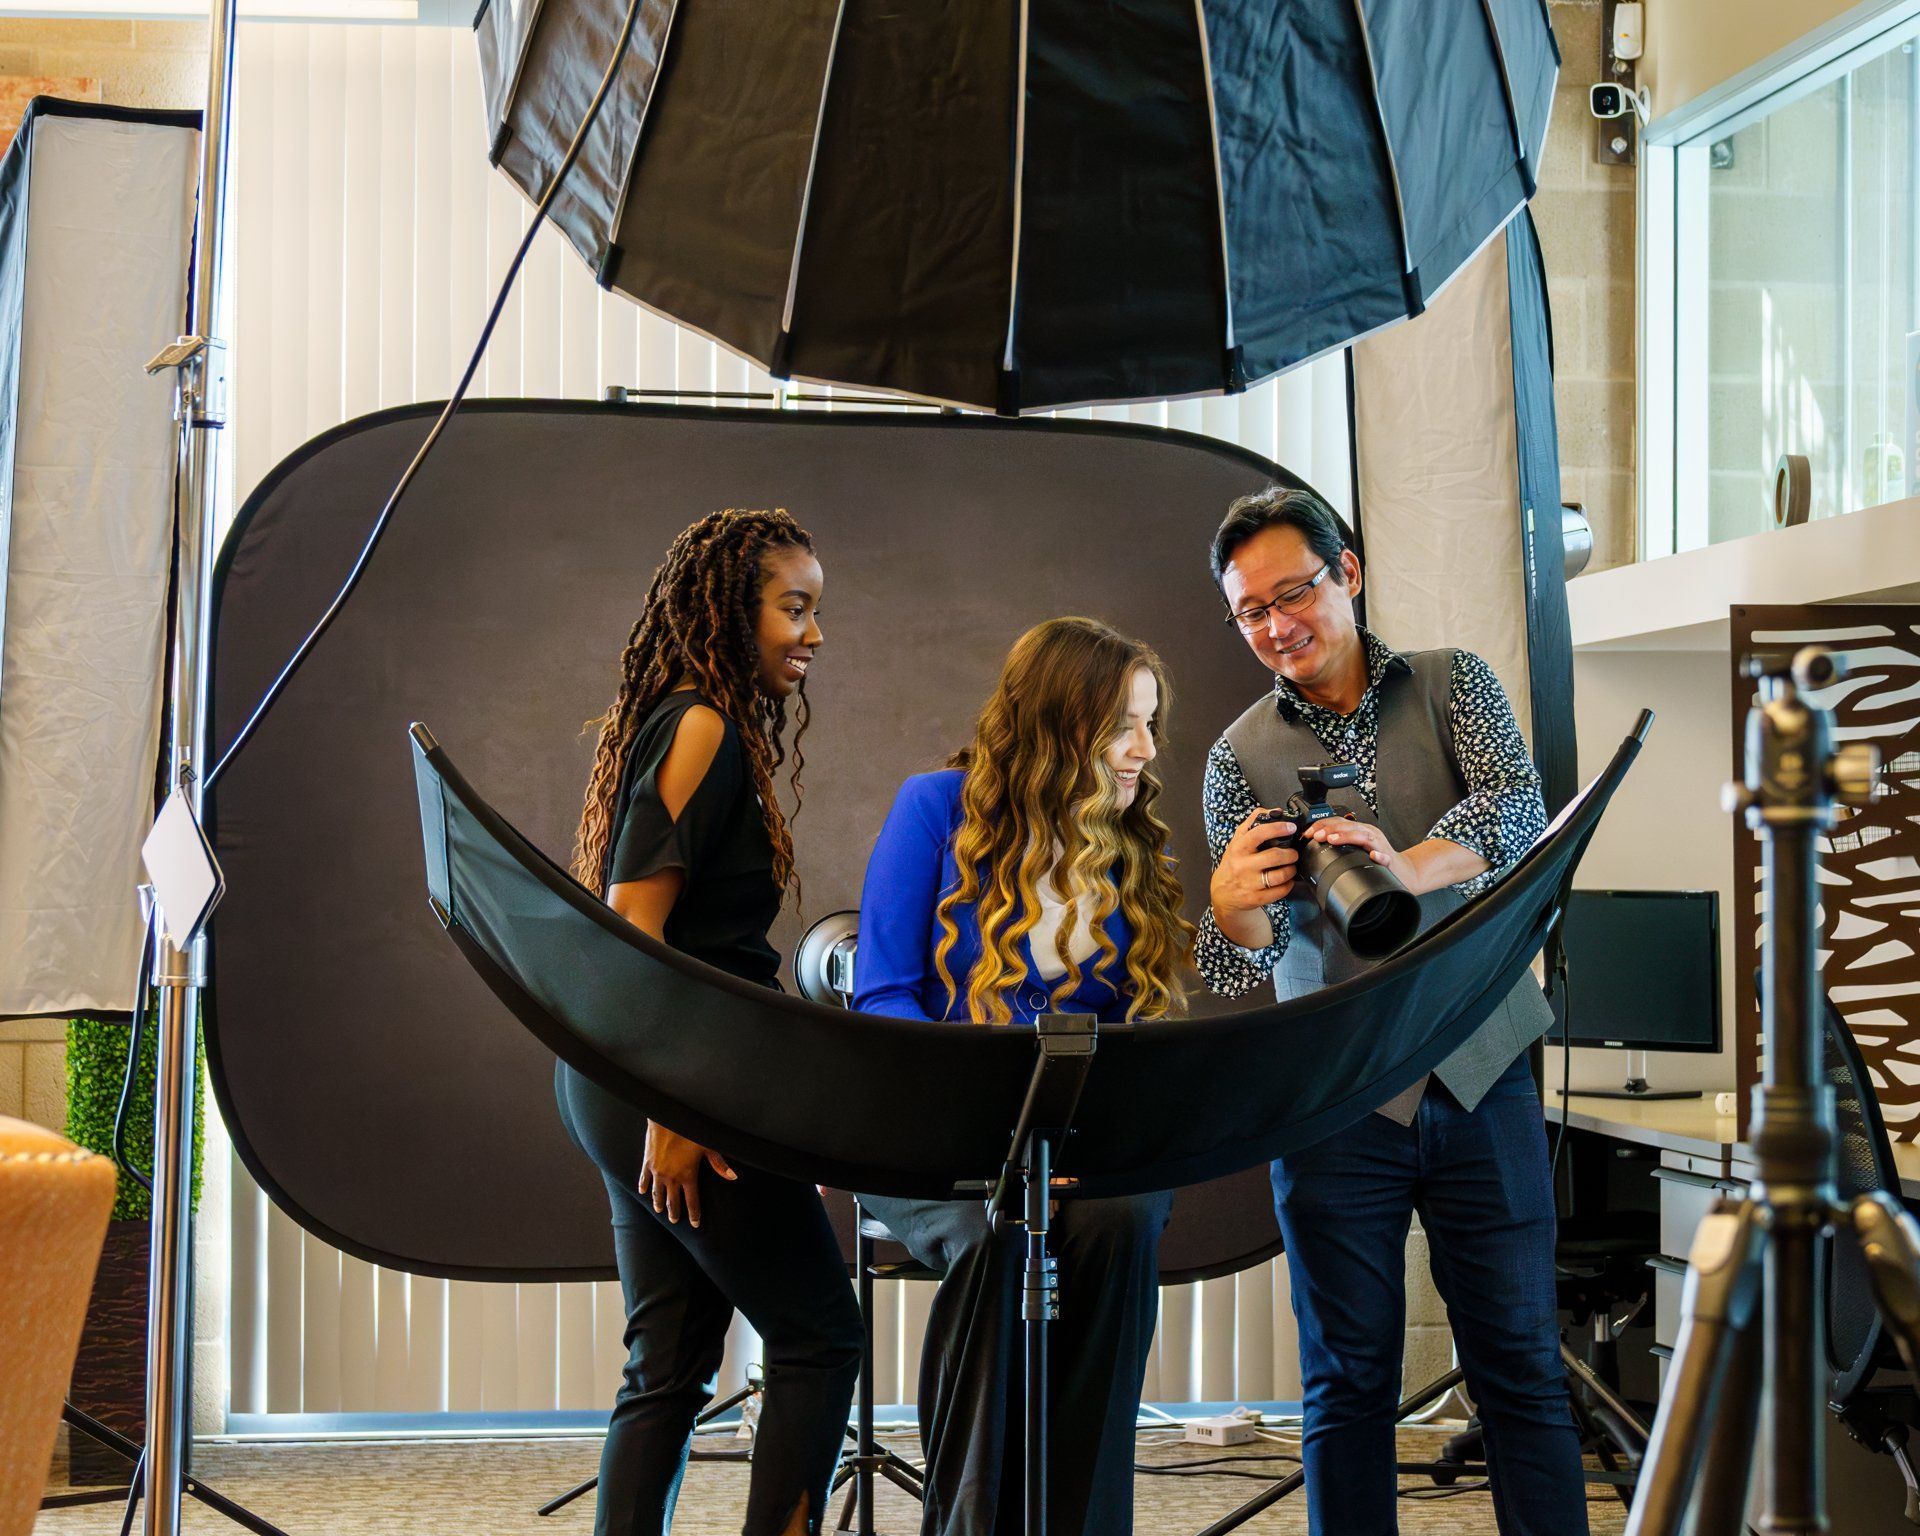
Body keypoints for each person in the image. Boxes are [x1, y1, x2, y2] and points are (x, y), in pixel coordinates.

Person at [1195, 486, 1587, 1536]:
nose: (1277, 625)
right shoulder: (1235, 759)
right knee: (1346, 1380)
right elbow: (1239, 963)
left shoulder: (1455, 682)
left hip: (1482, 1070)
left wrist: (1404, 864)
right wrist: (1231, 910)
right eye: (1250, 613)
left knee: (1521, 1365)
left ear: (1349, 574)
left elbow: (1519, 809)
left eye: (1294, 594)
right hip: (1334, 1101)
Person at [558, 508, 863, 1536]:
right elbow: (633, 931)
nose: (813, 632)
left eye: (814, 610)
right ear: (732, 611)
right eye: (794, 608)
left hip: (635, 1076)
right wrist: (674, 1111)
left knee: (671, 1364)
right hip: (671, 1086)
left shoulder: (696, 720)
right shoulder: (699, 724)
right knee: (819, 1338)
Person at [852, 616, 1193, 1536]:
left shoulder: (1129, 842)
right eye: (1123, 726)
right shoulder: (934, 807)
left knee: (1122, 1218)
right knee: (1000, 1236)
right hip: (932, 1136)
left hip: (1071, 1142)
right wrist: (979, 1121)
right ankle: (970, 1524)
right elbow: (882, 996)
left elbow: (1134, 1027)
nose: (1145, 749)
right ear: (1058, 725)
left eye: (1149, 724)